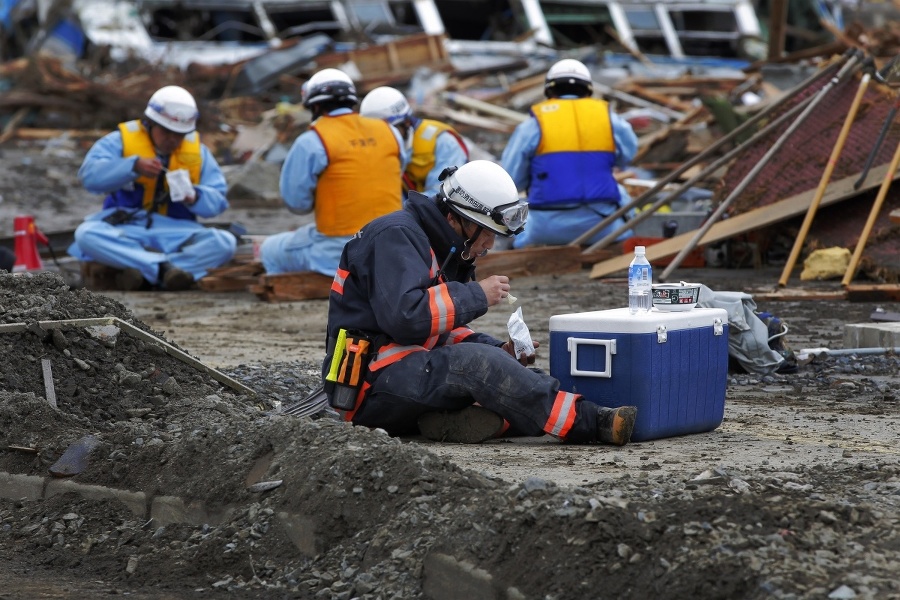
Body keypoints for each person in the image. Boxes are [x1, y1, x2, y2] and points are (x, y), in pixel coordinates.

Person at [323, 159, 637, 445]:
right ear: (455, 218)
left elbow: (438, 331)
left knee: (520, 377)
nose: (488, 245)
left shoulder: (439, 247)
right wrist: (478, 296)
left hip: (402, 373)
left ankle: (458, 423)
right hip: (365, 387)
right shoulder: (395, 236)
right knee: (478, 367)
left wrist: (498, 348)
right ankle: (592, 423)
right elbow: (405, 320)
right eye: (486, 233)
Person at [70, 85, 235, 291]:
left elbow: (218, 202)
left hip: (174, 230)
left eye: (179, 135)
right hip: (126, 228)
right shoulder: (119, 141)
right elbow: (90, 178)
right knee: (86, 234)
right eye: (166, 132)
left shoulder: (199, 153)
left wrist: (195, 196)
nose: (172, 140)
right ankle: (165, 270)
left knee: (224, 242)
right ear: (149, 123)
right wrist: (132, 166)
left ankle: (149, 271)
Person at [259, 69, 409, 277]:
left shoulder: (312, 141)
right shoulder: (389, 131)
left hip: (340, 251)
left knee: (269, 249)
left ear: (315, 105)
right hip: (394, 246)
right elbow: (396, 172)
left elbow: (297, 203)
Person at [500, 59, 639, 248]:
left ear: (550, 90)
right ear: (588, 89)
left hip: (545, 229)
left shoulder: (533, 125)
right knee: (622, 195)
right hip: (602, 226)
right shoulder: (610, 119)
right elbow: (627, 157)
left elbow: (512, 180)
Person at [359, 86, 469, 197]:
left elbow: (443, 196)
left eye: (386, 131)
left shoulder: (443, 142)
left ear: (406, 122)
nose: (380, 138)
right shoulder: (376, 148)